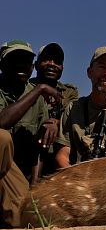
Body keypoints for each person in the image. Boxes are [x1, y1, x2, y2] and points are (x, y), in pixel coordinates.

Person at [0, 40, 61, 181]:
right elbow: (2, 122)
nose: (21, 65)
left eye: (26, 61)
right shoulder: (37, 92)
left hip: (14, 172)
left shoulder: (38, 99)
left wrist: (35, 184)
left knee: (25, 201)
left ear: (32, 67)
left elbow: (40, 147)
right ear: (2, 64)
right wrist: (40, 89)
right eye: (14, 60)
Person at [29, 43, 79, 176]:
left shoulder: (69, 92)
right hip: (27, 153)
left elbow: (72, 116)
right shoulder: (26, 88)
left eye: (57, 62)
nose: (52, 64)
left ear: (62, 67)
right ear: (36, 64)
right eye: (47, 59)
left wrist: (56, 123)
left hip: (55, 155)